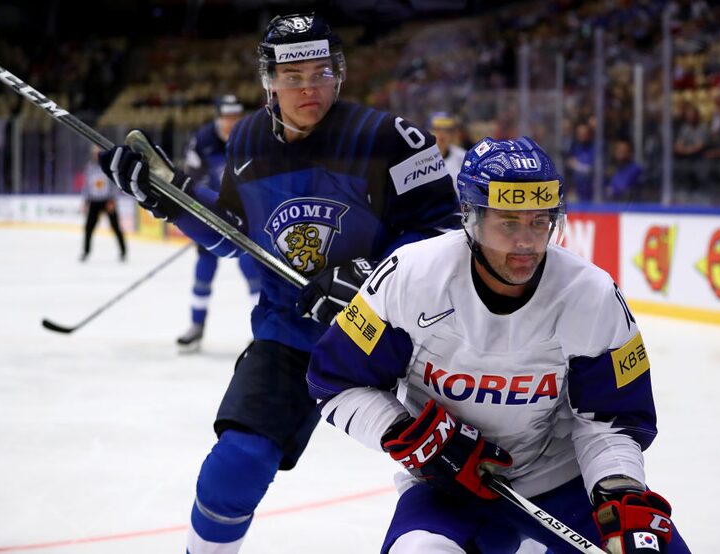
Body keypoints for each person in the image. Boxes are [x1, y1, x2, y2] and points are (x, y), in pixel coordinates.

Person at [98, 12, 458, 553]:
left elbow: (448, 231)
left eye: (321, 72)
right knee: (234, 466)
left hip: (401, 339)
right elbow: (234, 236)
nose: (309, 88)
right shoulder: (245, 141)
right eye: (293, 77)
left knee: (467, 482)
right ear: (269, 80)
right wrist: (167, 197)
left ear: (339, 72)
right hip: (295, 333)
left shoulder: (390, 138)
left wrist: (372, 277)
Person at [307, 137, 691, 554]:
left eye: (539, 221)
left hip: (559, 478)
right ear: (471, 219)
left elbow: (610, 420)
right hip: (446, 485)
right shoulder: (413, 277)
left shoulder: (590, 294)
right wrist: (408, 435)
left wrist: (619, 491)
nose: (526, 242)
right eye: (508, 222)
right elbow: (336, 383)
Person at [176, 95, 261, 352]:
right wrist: (205, 212)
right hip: (211, 216)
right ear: (218, 117)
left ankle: (263, 334)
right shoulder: (202, 140)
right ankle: (196, 326)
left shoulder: (252, 138)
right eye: (226, 117)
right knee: (204, 271)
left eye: (236, 117)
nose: (231, 123)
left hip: (247, 219)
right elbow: (192, 181)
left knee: (253, 272)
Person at [80, 145, 127, 262]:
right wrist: (85, 202)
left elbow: (114, 184)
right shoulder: (89, 168)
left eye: (98, 153)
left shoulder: (108, 166)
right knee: (88, 228)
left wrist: (112, 200)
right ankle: (86, 252)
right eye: (94, 153)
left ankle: (123, 251)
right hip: (94, 202)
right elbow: (86, 186)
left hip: (107, 201)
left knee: (115, 227)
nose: (96, 155)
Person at [427, 111, 466, 194]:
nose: (442, 134)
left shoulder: (463, 157)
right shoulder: (419, 160)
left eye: (447, 130)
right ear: (428, 131)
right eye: (437, 129)